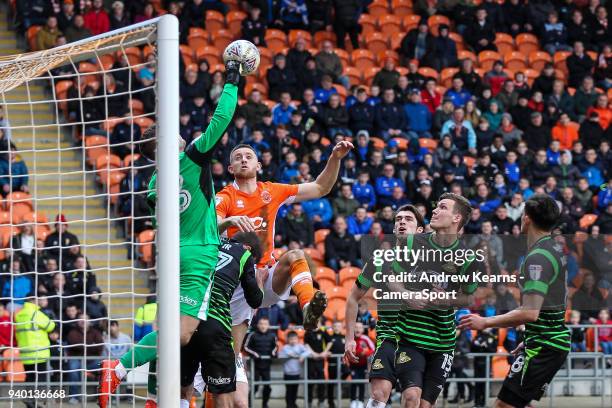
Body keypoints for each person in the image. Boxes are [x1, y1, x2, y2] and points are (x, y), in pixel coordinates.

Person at [98, 57, 242, 407]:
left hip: (171, 258)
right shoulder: (191, 157)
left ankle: (152, 397)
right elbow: (221, 119)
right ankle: (117, 368)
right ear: (168, 143)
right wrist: (234, 79)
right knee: (178, 334)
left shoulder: (152, 182)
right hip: (199, 254)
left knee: (168, 328)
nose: (182, 135)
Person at [216, 137, 353, 329]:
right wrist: (229, 221)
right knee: (232, 350)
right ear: (231, 168)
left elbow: (321, 188)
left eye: (249, 157)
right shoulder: (224, 196)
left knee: (296, 255)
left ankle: (307, 308)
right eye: (238, 158)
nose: (244, 160)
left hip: (266, 274)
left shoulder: (272, 191)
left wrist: (335, 159)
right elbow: (212, 225)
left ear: (259, 165)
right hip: (235, 279)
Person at [460, 194, 571, 408]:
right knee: (517, 403)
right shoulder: (553, 249)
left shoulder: (538, 257)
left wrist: (485, 322)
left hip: (545, 345)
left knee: (504, 405)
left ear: (527, 218)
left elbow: (530, 312)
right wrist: (532, 334)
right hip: (543, 340)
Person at [389, 193, 481, 408]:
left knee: (425, 404)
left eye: (442, 207)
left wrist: (443, 299)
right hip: (410, 334)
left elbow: (469, 297)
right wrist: (407, 294)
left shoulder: (467, 258)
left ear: (456, 218)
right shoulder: (412, 244)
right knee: (411, 397)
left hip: (442, 340)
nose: (434, 211)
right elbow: (392, 279)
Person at [344, 204, 425, 408]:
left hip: (417, 339)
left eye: (408, 219)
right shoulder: (379, 260)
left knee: (413, 397)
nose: (402, 222)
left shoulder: (431, 261)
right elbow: (353, 298)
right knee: (379, 393)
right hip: (387, 336)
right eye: (398, 219)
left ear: (420, 230)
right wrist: (349, 339)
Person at [179, 234, 265, 408]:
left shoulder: (208, 241)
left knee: (181, 389)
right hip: (215, 325)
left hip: (187, 317)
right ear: (248, 248)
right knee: (222, 395)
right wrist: (260, 281)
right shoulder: (244, 254)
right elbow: (255, 300)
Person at [244, 317, 277, 408]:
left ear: (268, 325)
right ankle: (249, 405)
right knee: (255, 387)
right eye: (261, 324)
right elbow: (246, 347)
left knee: (267, 387)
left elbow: (275, 347)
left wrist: (273, 353)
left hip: (266, 366)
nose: (263, 326)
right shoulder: (252, 335)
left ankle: (265, 404)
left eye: (265, 324)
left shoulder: (272, 336)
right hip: (255, 366)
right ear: (258, 325)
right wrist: (254, 354)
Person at [279, 331, 311, 408]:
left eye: (295, 339)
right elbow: (279, 355)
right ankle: (289, 405)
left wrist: (302, 356)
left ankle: (294, 403)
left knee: (295, 390)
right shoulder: (285, 348)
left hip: (296, 373)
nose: (293, 341)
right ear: (287, 340)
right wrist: (288, 354)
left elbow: (308, 351)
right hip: (288, 373)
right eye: (291, 339)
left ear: (297, 339)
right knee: (289, 391)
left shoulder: (300, 346)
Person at [349, 321, 374, 408]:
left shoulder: (365, 339)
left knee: (361, 383)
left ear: (363, 330)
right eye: (356, 327)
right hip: (352, 365)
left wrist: (365, 353)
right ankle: (352, 401)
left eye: (359, 327)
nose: (357, 329)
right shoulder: (350, 339)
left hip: (363, 365)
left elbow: (373, 349)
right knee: (353, 383)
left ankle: (360, 401)